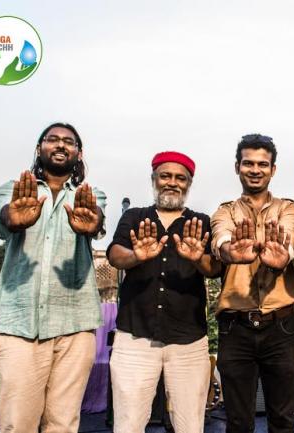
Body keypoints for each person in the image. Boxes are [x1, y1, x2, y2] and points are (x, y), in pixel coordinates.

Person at [0, 122, 106, 433]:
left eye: (69, 142)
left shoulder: (90, 195)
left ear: (78, 153)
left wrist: (92, 225)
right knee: (17, 423)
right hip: (19, 323)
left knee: (63, 424)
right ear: (39, 148)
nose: (60, 145)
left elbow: (97, 221)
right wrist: (14, 218)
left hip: (75, 324)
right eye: (52, 139)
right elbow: (6, 219)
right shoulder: (13, 189)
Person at [107, 151, 221, 433]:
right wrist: (136, 256)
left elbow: (215, 268)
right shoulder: (135, 217)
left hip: (188, 341)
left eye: (180, 178)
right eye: (165, 176)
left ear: (188, 184)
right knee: (128, 424)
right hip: (135, 337)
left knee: (190, 425)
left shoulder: (201, 222)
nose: (172, 182)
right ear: (154, 179)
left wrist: (197, 258)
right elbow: (115, 254)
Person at [210, 134, 294, 433]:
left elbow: (290, 237)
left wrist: (284, 256)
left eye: (263, 164)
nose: (255, 170)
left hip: (281, 325)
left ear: (273, 170)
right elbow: (221, 237)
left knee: (283, 420)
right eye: (248, 163)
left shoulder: (287, 208)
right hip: (235, 327)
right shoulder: (224, 211)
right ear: (237, 167)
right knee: (238, 421)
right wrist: (229, 252)